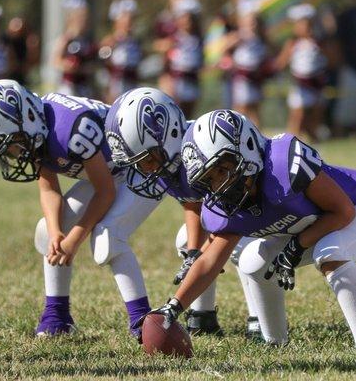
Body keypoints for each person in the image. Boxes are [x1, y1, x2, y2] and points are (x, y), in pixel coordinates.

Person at [0, 79, 164, 339]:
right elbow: (49, 189)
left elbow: (105, 192)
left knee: (108, 234)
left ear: (26, 120)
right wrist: (57, 232)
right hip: (109, 173)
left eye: (12, 145)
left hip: (142, 167)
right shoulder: (37, 126)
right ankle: (57, 315)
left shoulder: (69, 128)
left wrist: (74, 239)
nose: (14, 155)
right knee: (46, 231)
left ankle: (142, 321)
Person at [144, 109, 356, 346]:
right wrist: (174, 307)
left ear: (247, 148)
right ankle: (275, 342)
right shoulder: (228, 202)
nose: (218, 184)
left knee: (329, 249)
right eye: (209, 178)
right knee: (252, 262)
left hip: (349, 213)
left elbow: (343, 212)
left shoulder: (282, 167)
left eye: (222, 170)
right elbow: (208, 261)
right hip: (317, 226)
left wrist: (297, 245)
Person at [104, 87, 224, 335]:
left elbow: (235, 213)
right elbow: (193, 202)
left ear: (168, 134)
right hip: (230, 216)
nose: (145, 169)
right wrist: (194, 251)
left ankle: (260, 323)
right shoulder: (170, 157)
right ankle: (202, 316)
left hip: (259, 214)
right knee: (188, 242)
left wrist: (207, 247)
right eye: (137, 164)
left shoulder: (202, 149)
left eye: (146, 160)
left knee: (246, 252)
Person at [275, 4, 327, 141]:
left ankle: (314, 141)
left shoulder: (319, 42)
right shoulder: (292, 43)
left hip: (317, 85)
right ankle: (290, 141)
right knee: (297, 116)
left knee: (315, 116)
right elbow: (280, 64)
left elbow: (332, 60)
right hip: (300, 86)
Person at [158, 0, 203, 119]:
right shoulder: (174, 38)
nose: (187, 21)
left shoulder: (198, 39)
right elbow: (163, 55)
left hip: (192, 81)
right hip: (176, 82)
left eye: (191, 18)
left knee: (188, 117)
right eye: (184, 17)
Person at [52, 0, 98, 98]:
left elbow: (95, 64)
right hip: (68, 87)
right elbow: (56, 61)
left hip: (84, 87)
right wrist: (68, 66)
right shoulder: (65, 39)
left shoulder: (89, 41)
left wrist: (84, 68)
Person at [99, 0, 141, 104]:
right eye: (127, 18)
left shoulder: (135, 42)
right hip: (115, 87)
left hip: (132, 85)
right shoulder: (110, 41)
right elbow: (102, 67)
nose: (130, 22)